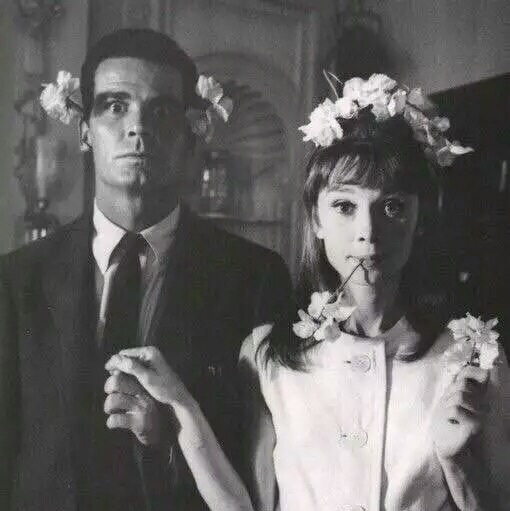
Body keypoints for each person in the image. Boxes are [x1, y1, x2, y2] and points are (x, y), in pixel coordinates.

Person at [0, 28, 291, 511]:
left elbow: (264, 466)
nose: (138, 127)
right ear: (85, 131)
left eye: (161, 111)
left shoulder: (255, 278)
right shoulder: (15, 281)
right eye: (115, 106)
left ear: (191, 133)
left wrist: (173, 436)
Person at [239, 76, 510, 511]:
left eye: (392, 206)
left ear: (420, 219)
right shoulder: (267, 356)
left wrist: (457, 462)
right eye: (345, 206)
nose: (368, 231)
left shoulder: (473, 360)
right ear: (316, 220)